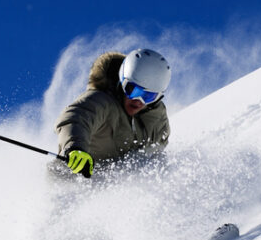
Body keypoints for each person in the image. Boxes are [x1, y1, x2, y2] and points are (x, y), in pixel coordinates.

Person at [54, 48, 172, 177]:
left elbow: (158, 154)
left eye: (148, 96)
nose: (139, 100)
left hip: (123, 184)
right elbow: (76, 118)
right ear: (122, 81)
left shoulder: (156, 117)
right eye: (133, 90)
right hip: (74, 178)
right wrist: (74, 148)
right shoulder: (101, 102)